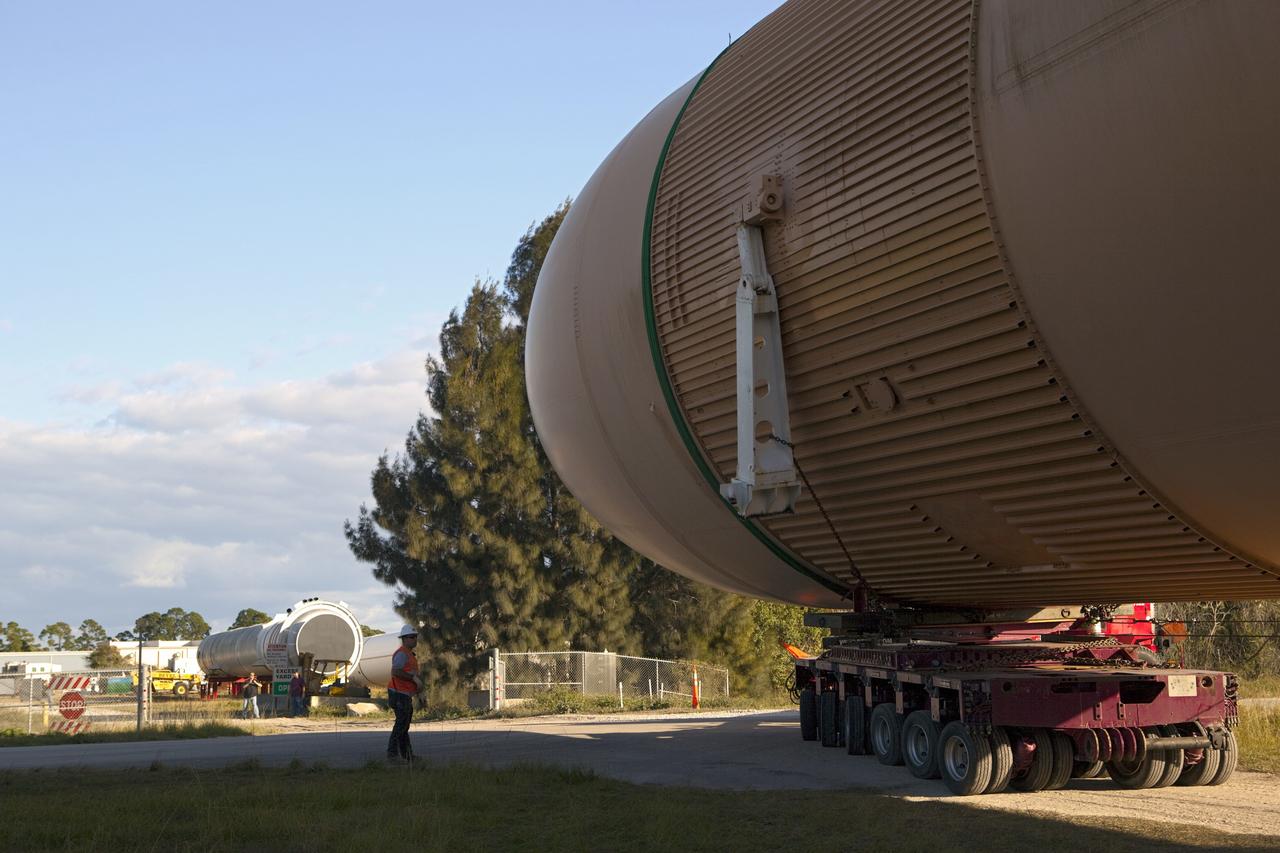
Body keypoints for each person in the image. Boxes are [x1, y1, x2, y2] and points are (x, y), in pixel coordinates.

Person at [386, 624, 422, 763]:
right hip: (398, 693)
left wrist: (419, 691)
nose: (415, 640)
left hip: (405, 694)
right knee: (401, 725)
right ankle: (393, 755)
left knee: (404, 725)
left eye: (415, 637)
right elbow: (396, 671)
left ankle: (407, 756)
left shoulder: (410, 655)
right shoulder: (402, 653)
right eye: (412, 637)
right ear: (404, 639)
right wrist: (413, 678)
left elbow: (411, 674)